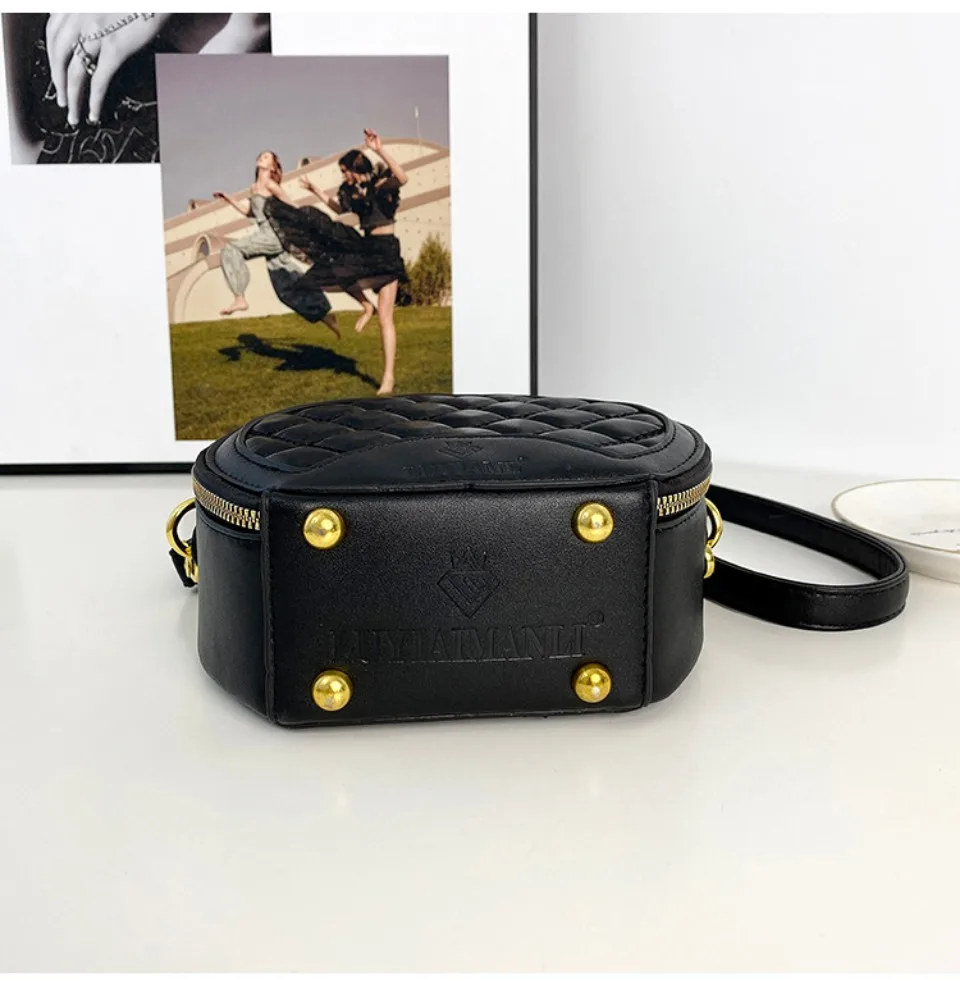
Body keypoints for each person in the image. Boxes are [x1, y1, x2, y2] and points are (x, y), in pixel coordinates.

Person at [293, 128, 409, 396]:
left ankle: (388, 377)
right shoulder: (352, 192)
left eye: (345, 170)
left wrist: (379, 149)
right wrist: (316, 191)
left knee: (386, 318)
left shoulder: (380, 183)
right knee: (335, 269)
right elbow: (339, 209)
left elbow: (402, 177)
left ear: (356, 166)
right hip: (367, 246)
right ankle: (366, 305)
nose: (343, 176)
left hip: (387, 250)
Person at [213, 150, 340, 337]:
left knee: (230, 249)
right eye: (260, 155)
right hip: (265, 234)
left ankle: (239, 297)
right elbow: (251, 213)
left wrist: (312, 223)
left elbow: (291, 205)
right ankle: (325, 314)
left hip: (273, 234)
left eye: (266, 157)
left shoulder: (270, 185)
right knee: (284, 289)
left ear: (272, 167)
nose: (260, 157)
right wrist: (230, 200)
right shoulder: (254, 188)